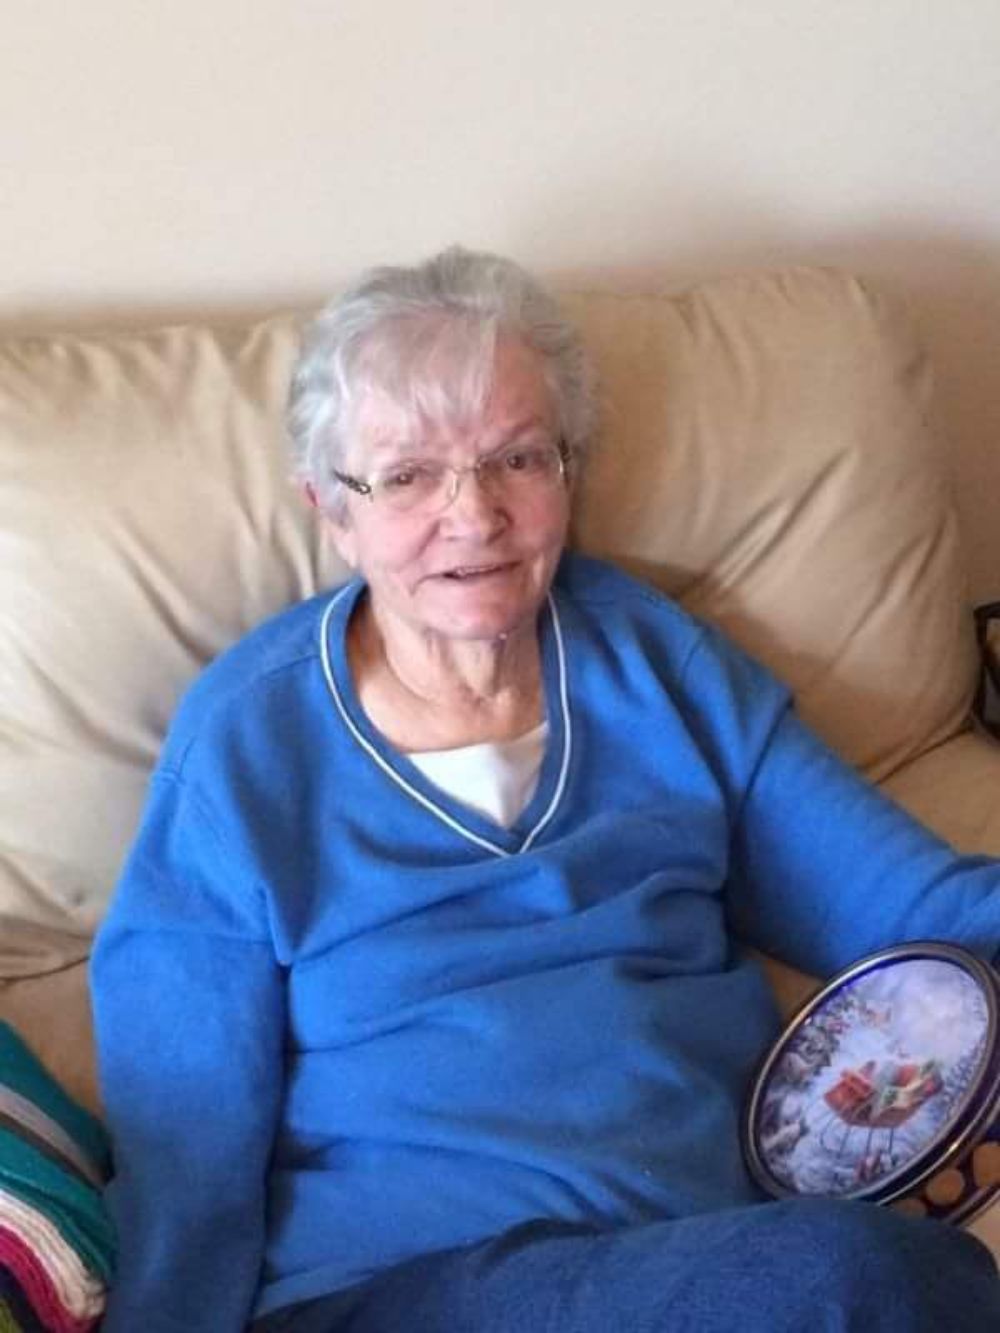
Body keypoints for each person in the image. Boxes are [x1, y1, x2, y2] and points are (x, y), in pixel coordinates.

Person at [90, 247, 1000, 1332]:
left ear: (569, 472)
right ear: (330, 510)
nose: (472, 514)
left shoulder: (659, 669)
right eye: (407, 475)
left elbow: (915, 907)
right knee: (860, 1276)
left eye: (516, 458)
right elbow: (184, 1135)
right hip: (395, 1286)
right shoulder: (247, 741)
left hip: (696, 1259)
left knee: (875, 1276)